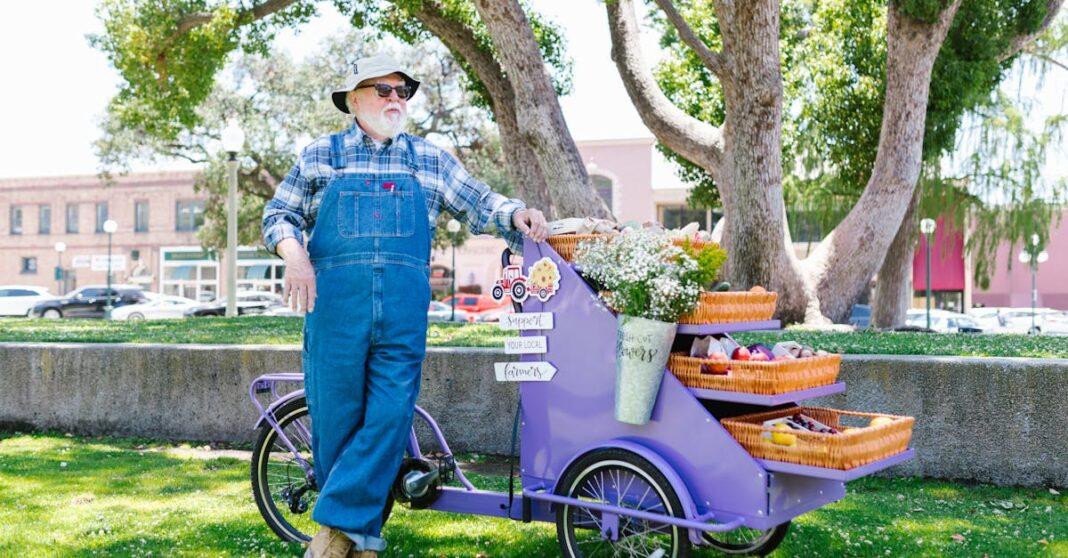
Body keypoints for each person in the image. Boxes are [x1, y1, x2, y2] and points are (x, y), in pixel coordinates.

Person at [260, 54, 549, 558]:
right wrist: (296, 256)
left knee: (390, 416)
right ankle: (362, 542)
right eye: (384, 89)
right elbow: (279, 213)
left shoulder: (429, 160)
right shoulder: (321, 155)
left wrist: (516, 214)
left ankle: (334, 531)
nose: (396, 99)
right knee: (335, 423)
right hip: (334, 314)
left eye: (403, 90)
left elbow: (480, 203)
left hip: (402, 315)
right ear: (354, 100)